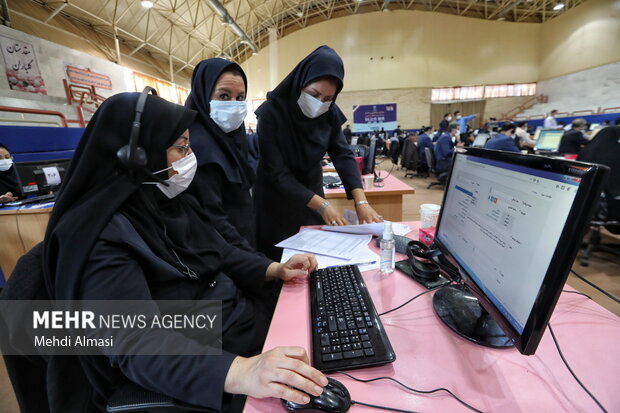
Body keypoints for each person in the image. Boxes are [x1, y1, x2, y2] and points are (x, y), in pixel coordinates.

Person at [37, 91, 326, 412]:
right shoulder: (99, 236)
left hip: (244, 328)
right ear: (135, 155)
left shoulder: (165, 201)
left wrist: (274, 269)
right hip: (208, 365)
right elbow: (136, 340)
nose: (190, 157)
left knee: (328, 332)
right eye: (180, 147)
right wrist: (242, 371)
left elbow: (221, 251)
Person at [254, 46, 382, 259]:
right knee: (279, 260)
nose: (319, 103)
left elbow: (342, 154)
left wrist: (361, 202)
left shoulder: (329, 113)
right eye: (313, 94)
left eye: (327, 99)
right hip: (275, 199)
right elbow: (276, 173)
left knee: (313, 256)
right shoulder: (271, 113)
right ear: (301, 84)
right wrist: (323, 206)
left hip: (311, 193)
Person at [185, 58, 258, 251]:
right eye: (224, 96)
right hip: (228, 253)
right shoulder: (200, 148)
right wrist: (257, 263)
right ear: (203, 95)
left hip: (242, 242)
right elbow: (214, 221)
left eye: (240, 97)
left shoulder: (232, 136)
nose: (234, 104)